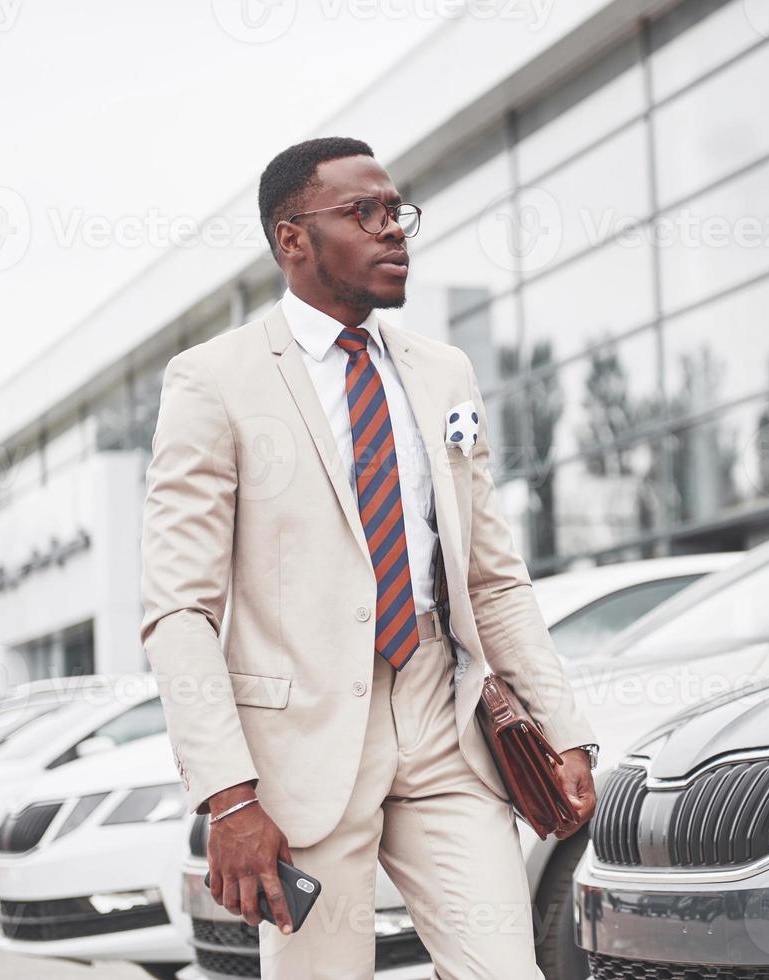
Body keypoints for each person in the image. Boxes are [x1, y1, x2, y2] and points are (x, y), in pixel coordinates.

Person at [139, 136, 599, 979]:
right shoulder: (214, 381)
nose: (394, 230)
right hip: (300, 751)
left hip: (443, 721)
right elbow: (179, 609)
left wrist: (563, 726)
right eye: (364, 212)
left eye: (396, 212)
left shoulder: (444, 372)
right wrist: (228, 795)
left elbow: (491, 576)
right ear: (292, 240)